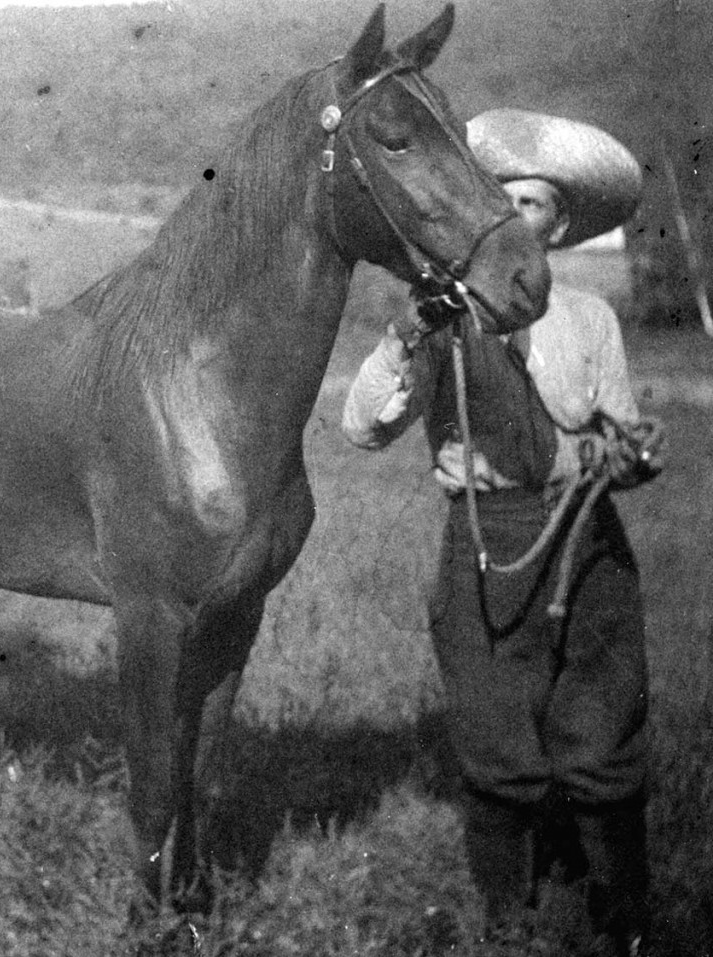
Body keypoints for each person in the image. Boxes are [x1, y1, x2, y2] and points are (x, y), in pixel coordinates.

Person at [341, 109, 665, 955]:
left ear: (557, 226)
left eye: (536, 205)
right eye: (507, 200)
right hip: (488, 543)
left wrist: (627, 453)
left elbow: (620, 427)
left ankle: (623, 909)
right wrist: (407, 335)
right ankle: (506, 913)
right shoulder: (445, 321)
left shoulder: (592, 318)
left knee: (603, 725)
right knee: (494, 733)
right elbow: (362, 427)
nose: (521, 217)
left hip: (586, 535)